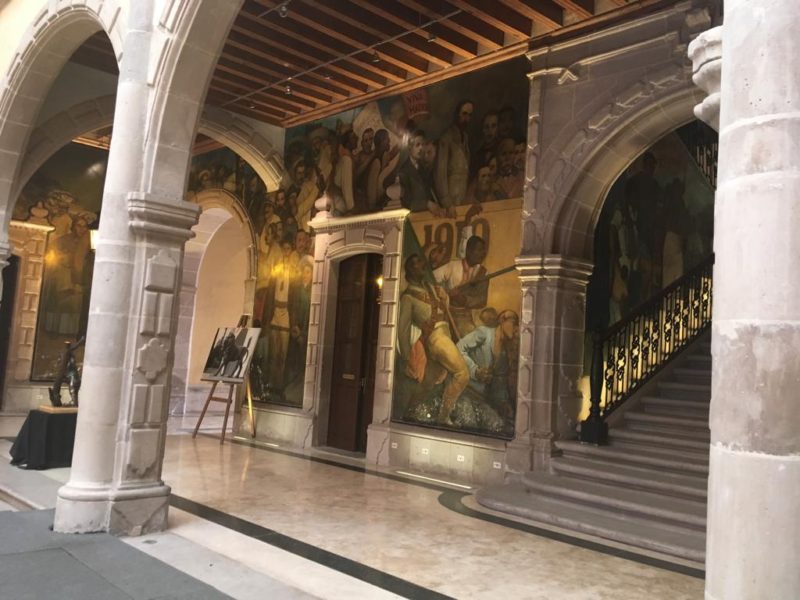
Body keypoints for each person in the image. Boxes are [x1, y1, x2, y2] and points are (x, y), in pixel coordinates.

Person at [397, 254, 469, 426]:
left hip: (444, 334)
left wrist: (445, 298)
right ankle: (443, 417)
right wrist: (407, 358)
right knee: (463, 374)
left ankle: (408, 414)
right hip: (436, 338)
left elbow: (443, 309)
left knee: (426, 385)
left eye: (421, 261)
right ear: (409, 271)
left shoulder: (431, 288)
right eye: (416, 263)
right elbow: (403, 329)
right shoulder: (408, 297)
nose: (422, 265)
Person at [456, 309, 519, 418]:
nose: (516, 327)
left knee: (496, 423)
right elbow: (458, 348)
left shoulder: (505, 352)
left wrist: (503, 403)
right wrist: (475, 371)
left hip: (483, 399)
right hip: (466, 390)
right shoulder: (484, 333)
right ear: (502, 320)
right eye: (513, 322)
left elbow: (500, 382)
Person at [434, 233, 489, 337]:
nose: (483, 254)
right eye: (479, 250)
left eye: (483, 250)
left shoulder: (483, 273)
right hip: (447, 315)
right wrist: (445, 293)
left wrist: (464, 300)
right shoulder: (452, 266)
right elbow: (432, 278)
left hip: (467, 317)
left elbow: (482, 300)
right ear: (469, 251)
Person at [435, 100, 472, 209]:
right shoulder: (446, 138)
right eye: (464, 114)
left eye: (469, 115)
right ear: (457, 114)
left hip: (463, 196)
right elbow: (440, 173)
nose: (466, 118)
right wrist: (446, 202)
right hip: (451, 199)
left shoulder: (465, 138)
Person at [396, 130, 444, 215]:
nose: (421, 148)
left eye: (423, 144)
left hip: (429, 216)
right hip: (414, 217)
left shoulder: (424, 168)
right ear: (410, 147)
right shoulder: (403, 171)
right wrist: (427, 204)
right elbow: (406, 203)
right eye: (417, 145)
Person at [470, 110, 499, 177]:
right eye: (486, 127)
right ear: (482, 129)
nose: (490, 130)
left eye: (493, 126)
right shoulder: (478, 153)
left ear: (498, 128)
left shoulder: (501, 149)